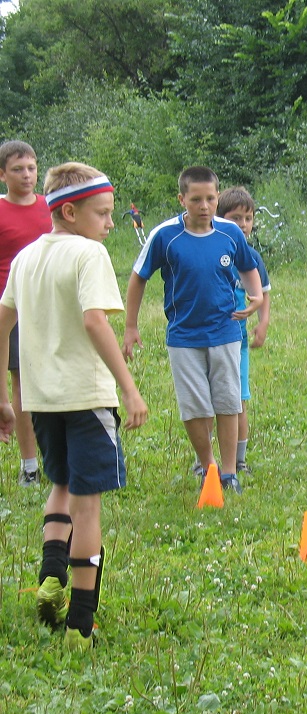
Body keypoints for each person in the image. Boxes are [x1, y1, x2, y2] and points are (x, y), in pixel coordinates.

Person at [0, 163, 149, 652]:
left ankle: (50, 573)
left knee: (60, 485)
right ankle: (81, 624)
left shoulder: (25, 259)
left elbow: (2, 327)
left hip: (41, 400)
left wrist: (4, 397)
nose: (109, 224)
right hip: (87, 398)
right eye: (103, 213)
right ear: (70, 211)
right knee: (89, 508)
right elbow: (94, 322)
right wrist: (128, 387)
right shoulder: (89, 255)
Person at [122, 166, 263, 494]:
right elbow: (138, 277)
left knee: (228, 402)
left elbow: (248, 266)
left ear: (217, 197)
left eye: (210, 198)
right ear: (181, 199)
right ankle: (208, 466)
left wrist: (255, 299)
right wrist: (130, 326)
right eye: (195, 199)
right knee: (194, 406)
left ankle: (229, 473)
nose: (204, 206)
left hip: (226, 331)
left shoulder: (230, 233)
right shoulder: (165, 236)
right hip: (184, 336)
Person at [0, 140, 53, 485]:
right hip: (13, 305)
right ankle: (30, 465)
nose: (27, 175)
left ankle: (58, 456)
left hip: (51, 303)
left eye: (32, 168)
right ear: (3, 174)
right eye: (18, 169)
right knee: (23, 385)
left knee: (53, 380)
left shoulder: (51, 207)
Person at [215, 186, 271, 475]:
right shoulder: (212, 252)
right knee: (211, 402)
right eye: (236, 218)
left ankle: (239, 460)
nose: (243, 225)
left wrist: (262, 323)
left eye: (248, 218)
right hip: (210, 338)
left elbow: (262, 292)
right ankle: (208, 460)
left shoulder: (251, 258)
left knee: (238, 400)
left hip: (238, 341)